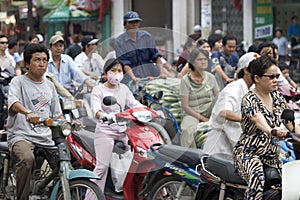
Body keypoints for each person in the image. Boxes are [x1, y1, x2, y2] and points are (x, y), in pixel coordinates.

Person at [233, 53, 300, 199]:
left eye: (277, 76)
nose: (275, 80)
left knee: (290, 186)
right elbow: (258, 119)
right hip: (249, 154)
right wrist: (271, 130)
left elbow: (289, 123)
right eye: (271, 77)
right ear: (257, 78)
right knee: (258, 178)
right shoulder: (249, 99)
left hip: (272, 156)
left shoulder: (277, 97)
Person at [6, 43, 64, 199]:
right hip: (21, 135)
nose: (42, 63)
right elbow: (13, 102)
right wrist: (27, 112)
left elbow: (58, 114)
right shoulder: (18, 81)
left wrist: (69, 123)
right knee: (27, 159)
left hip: (45, 137)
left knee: (65, 162)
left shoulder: (50, 86)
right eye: (37, 60)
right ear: (27, 64)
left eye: (45, 60)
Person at [90, 58, 143, 191]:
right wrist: (103, 115)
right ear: (106, 73)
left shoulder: (124, 88)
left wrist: (150, 111)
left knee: (137, 160)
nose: (116, 73)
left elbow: (134, 104)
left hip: (123, 131)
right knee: (102, 168)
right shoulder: (98, 90)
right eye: (113, 70)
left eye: (119, 70)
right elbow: (96, 109)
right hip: (105, 131)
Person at [203, 52, 259, 155]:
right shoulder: (234, 88)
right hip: (219, 149)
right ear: (246, 70)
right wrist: (249, 119)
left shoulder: (252, 90)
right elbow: (224, 112)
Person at [180, 48, 219, 148]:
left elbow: (218, 97)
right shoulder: (185, 80)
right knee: (186, 130)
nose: (203, 62)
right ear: (193, 62)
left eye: (205, 59)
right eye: (200, 59)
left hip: (209, 109)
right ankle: (190, 157)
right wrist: (202, 118)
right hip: (192, 112)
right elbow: (185, 106)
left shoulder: (211, 77)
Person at [114, 11, 164, 84]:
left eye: (136, 22)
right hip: (131, 78)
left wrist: (161, 73)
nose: (134, 24)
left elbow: (156, 56)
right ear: (125, 25)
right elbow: (124, 63)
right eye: (131, 22)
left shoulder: (147, 37)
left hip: (150, 75)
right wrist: (133, 77)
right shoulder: (119, 42)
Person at [0, 34, 17, 129]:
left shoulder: (10, 58)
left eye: (6, 43)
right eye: (2, 43)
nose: (5, 45)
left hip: (6, 85)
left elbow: (13, 70)